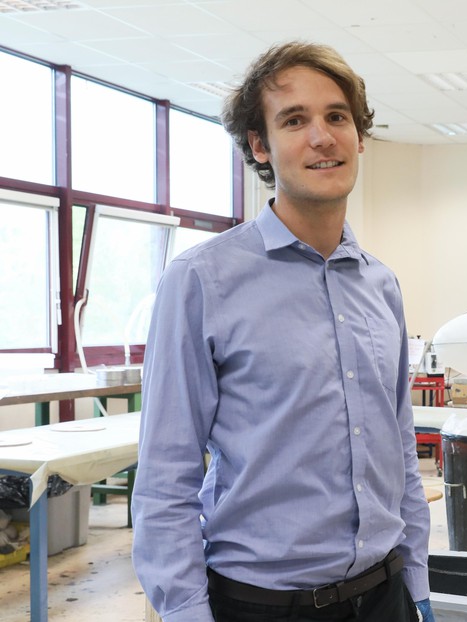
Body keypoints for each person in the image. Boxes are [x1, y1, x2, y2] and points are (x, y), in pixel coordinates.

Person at [132, 41, 435, 622]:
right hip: (263, 607)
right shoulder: (201, 281)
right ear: (259, 146)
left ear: (359, 136)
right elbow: (166, 479)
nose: (322, 137)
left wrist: (417, 578)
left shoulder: (381, 285)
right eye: (294, 120)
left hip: (384, 596)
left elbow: (399, 447)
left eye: (336, 116)